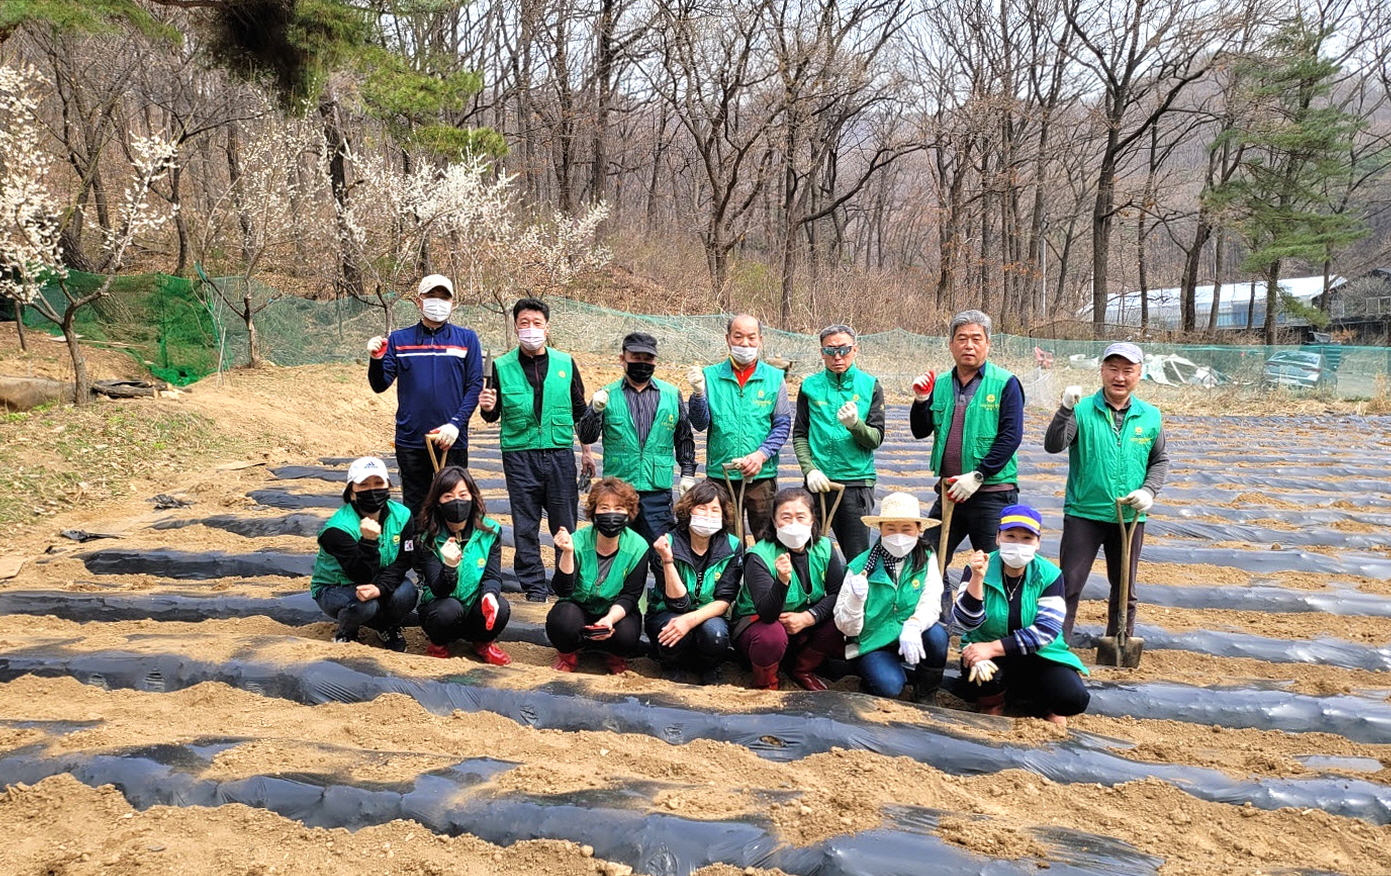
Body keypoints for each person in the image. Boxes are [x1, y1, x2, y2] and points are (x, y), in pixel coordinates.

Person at [1045, 341, 1169, 639]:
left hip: (1129, 516)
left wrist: (1149, 491)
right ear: (1102, 371)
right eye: (1113, 369)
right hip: (1084, 513)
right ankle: (1056, 647)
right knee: (1069, 585)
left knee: (1125, 587)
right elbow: (1054, 445)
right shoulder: (1083, 409)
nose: (1120, 377)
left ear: (1140, 374)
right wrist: (1064, 410)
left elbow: (1160, 459)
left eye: (1128, 370)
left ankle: (1119, 643)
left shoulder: (1150, 415)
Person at [479, 298, 594, 603]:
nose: (531, 329)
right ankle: (533, 585)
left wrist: (586, 452)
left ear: (547, 327)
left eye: (537, 323)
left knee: (565, 521)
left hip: (559, 453)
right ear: (515, 326)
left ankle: (565, 581)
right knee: (525, 523)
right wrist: (487, 407)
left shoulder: (565, 363)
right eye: (524, 323)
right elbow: (492, 414)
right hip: (519, 454)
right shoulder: (501, 366)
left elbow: (580, 411)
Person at [952, 505, 1090, 727]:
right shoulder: (979, 567)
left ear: (1037, 543)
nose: (1018, 543)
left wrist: (992, 647)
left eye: (1026, 538)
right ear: (998, 537)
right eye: (1011, 536)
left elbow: (1045, 632)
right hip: (988, 655)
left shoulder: (1050, 575)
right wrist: (977, 579)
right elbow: (964, 622)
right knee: (983, 678)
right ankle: (992, 704)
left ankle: (1046, 704)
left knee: (1072, 698)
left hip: (1041, 655)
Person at [908, 309, 1023, 574]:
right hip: (950, 492)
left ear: (988, 344)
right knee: (927, 561)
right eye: (961, 338)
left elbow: (1010, 437)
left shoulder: (1005, 383)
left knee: (995, 567)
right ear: (951, 345)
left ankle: (989, 615)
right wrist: (921, 400)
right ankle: (940, 612)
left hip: (991, 493)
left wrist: (978, 475)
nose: (968, 345)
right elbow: (920, 430)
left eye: (976, 339)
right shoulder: (941, 384)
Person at [577, 331, 697, 564]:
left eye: (648, 358)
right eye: (635, 357)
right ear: (623, 358)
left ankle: (663, 600)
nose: (642, 363)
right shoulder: (608, 394)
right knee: (616, 553)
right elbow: (587, 435)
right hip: (618, 492)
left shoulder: (671, 395)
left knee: (662, 553)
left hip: (657, 491)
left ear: (655, 361)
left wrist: (688, 472)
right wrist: (595, 411)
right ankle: (619, 599)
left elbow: (684, 436)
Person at [367, 274, 484, 513]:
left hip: (452, 440)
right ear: (419, 301)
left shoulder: (467, 339)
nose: (437, 302)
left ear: (453, 303)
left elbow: (474, 386)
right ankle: (418, 550)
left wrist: (455, 424)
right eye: (431, 296)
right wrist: (376, 360)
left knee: (455, 506)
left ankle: (452, 550)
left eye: (444, 297)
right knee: (416, 505)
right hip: (411, 439)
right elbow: (380, 384)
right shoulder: (400, 340)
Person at [378, 466, 511, 665]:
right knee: (448, 609)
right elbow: (439, 589)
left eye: (463, 494)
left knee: (499, 607)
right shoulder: (427, 538)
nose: (457, 501)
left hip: (473, 603)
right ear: (437, 502)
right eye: (448, 496)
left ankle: (482, 643)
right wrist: (449, 566)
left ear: (473, 496)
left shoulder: (490, 531)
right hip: (442, 607)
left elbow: (492, 576)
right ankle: (438, 645)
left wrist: (489, 595)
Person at [834, 492, 948, 702]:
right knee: (889, 687)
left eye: (906, 529)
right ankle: (872, 674)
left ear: (918, 530)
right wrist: (855, 600)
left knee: (937, 636)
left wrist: (914, 624)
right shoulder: (860, 567)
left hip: (910, 636)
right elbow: (846, 628)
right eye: (891, 528)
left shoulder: (926, 558)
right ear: (881, 529)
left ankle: (926, 693)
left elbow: (931, 600)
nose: (899, 536)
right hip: (874, 642)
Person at [687, 314, 792, 541]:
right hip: (720, 475)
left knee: (767, 540)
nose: (745, 343)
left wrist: (761, 455)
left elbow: (782, 425)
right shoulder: (711, 376)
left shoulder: (774, 378)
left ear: (760, 340)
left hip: (761, 477)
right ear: (728, 339)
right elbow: (699, 423)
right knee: (724, 542)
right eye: (738, 336)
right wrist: (697, 394)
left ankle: (762, 577)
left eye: (751, 338)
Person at [733, 488, 846, 690]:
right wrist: (782, 581)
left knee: (843, 617)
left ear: (812, 520)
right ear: (775, 522)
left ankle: (803, 670)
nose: (794, 524)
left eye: (801, 517)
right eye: (786, 517)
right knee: (771, 634)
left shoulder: (824, 548)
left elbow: (838, 593)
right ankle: (766, 682)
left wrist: (809, 617)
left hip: (803, 625)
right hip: (761, 627)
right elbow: (767, 614)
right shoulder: (759, 555)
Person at [793, 324, 885, 561]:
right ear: (821, 352)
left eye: (844, 349)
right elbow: (801, 434)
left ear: (855, 349)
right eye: (830, 350)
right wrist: (809, 469)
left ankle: (856, 598)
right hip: (817, 484)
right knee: (805, 551)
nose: (837, 356)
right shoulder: (810, 386)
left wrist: (856, 425)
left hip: (855, 484)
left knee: (857, 557)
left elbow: (875, 439)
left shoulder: (869, 385)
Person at [309, 456, 417, 649]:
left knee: (407, 593)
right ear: (351, 492)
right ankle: (346, 635)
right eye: (363, 484)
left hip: (378, 579)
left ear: (388, 486)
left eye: (378, 482)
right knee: (365, 605)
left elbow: (403, 560)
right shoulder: (338, 529)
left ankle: (386, 626)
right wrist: (368, 541)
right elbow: (360, 574)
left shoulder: (402, 515)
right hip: (336, 587)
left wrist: (381, 588)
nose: (372, 489)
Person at [547, 477, 649, 674]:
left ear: (629, 513)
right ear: (593, 512)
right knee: (562, 621)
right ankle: (568, 656)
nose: (611, 514)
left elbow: (630, 595)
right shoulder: (577, 541)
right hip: (579, 606)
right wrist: (567, 552)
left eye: (619, 508)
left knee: (627, 634)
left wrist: (609, 620)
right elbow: (562, 589)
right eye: (604, 508)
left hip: (615, 609)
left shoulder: (638, 546)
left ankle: (615, 658)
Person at [646, 480, 744, 684]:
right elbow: (678, 603)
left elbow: (725, 599)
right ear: (688, 510)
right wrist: (667, 559)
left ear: (723, 515)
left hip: (709, 613)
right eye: (702, 508)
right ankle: (672, 664)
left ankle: (709, 667)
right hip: (668, 611)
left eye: (715, 510)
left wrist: (689, 620)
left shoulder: (732, 546)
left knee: (714, 633)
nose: (708, 516)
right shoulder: (667, 542)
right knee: (672, 628)